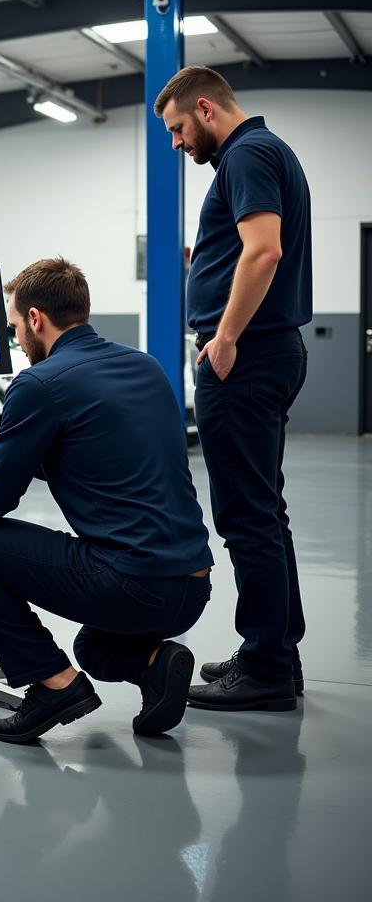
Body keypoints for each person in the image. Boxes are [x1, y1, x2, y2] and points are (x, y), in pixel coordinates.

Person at [0, 258, 213, 743]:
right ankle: (156, 664)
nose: (17, 341)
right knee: (95, 648)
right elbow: (89, 456)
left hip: (130, 584)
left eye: (15, 327)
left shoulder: (38, 383)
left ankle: (54, 686)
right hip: (191, 588)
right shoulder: (144, 365)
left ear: (37, 319)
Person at [155, 65, 310, 712]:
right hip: (264, 352)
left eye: (177, 129)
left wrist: (223, 338)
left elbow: (264, 251)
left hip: (246, 359)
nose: (176, 143)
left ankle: (269, 667)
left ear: (205, 109)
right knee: (262, 512)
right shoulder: (261, 153)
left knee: (246, 517)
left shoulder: (247, 154)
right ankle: (270, 650)